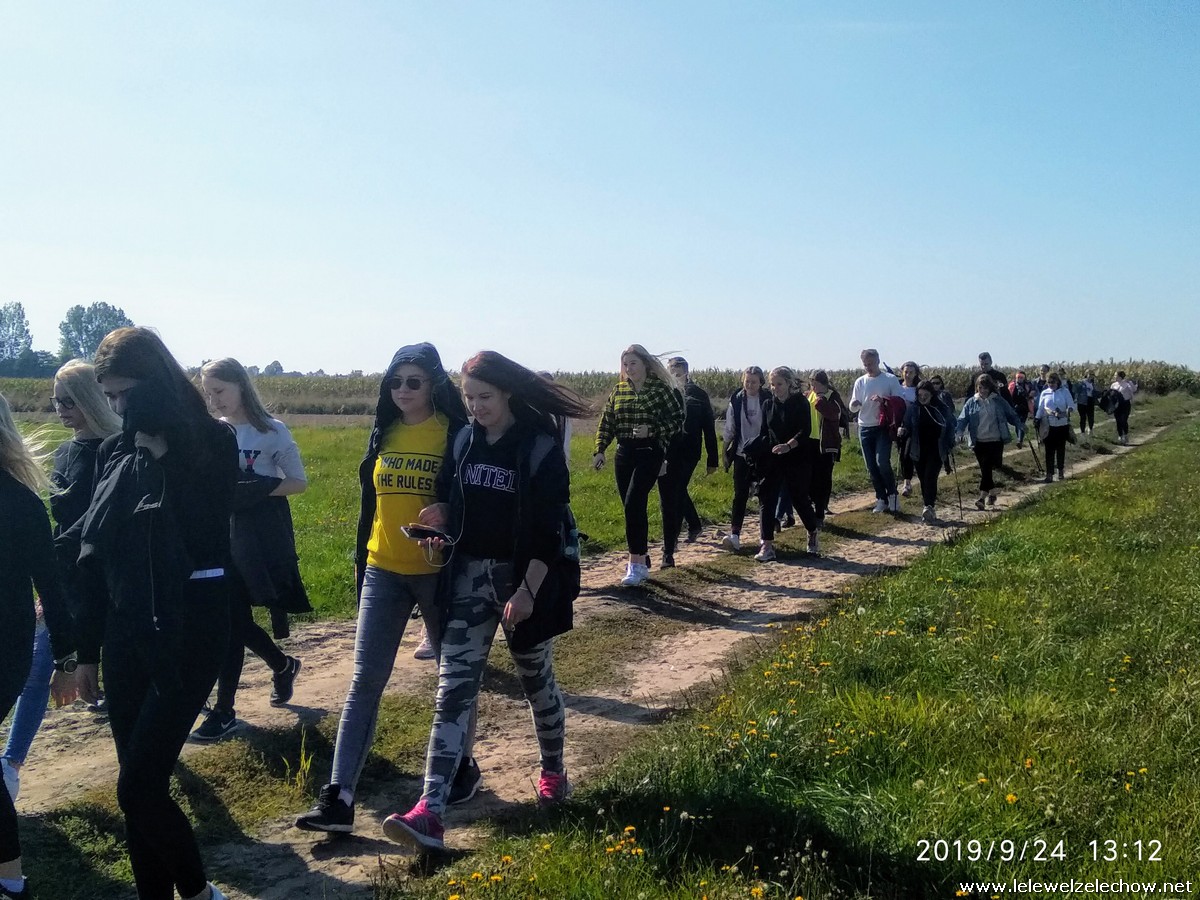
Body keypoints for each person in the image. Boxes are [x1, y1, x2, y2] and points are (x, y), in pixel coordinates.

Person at [382, 351, 589, 852]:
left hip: (523, 581)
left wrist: (526, 592)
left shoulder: (539, 448)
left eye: (485, 397)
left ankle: (554, 772)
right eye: (469, 397)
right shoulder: (464, 440)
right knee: (452, 689)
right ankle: (429, 810)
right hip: (468, 578)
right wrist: (443, 516)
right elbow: (456, 500)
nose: (475, 407)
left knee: (535, 681)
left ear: (508, 392)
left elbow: (547, 534)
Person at [62, 327, 237, 900]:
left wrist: (166, 464)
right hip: (127, 628)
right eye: (109, 396)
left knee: (138, 786)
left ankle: (199, 894)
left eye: (124, 394)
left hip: (192, 625)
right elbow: (97, 559)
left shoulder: (212, 443)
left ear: (154, 383)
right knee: (136, 787)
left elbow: (207, 534)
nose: (117, 408)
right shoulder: (113, 452)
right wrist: (87, 653)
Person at [295, 343, 475, 834]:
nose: (402, 390)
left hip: (437, 571)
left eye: (413, 382)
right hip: (382, 569)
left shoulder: (457, 434)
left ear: (433, 384)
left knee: (451, 675)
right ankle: (339, 798)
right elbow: (369, 505)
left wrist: (450, 513)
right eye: (395, 382)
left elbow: (473, 499)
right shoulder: (385, 431)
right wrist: (361, 563)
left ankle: (462, 765)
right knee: (364, 682)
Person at [2, 362, 120, 802]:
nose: (61, 409)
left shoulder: (114, 451)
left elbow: (96, 519)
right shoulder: (65, 452)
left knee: (119, 671)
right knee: (38, 668)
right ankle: (12, 764)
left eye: (69, 401)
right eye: (56, 401)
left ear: (91, 399)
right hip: (66, 573)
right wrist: (46, 571)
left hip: (104, 574)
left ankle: (141, 759)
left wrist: (47, 556)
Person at [189, 359, 309, 742]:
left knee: (232, 621)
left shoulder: (272, 431)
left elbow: (298, 482)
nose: (214, 400)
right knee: (231, 618)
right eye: (208, 393)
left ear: (241, 386)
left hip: (258, 536)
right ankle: (268, 675)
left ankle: (236, 701)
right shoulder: (212, 432)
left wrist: (255, 489)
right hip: (219, 535)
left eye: (219, 391)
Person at [0, 393, 78, 900]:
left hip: (4, 648)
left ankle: (10, 880)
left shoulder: (20, 503)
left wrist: (67, 660)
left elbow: (51, 585)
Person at [593, 345, 683, 585]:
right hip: (624, 452)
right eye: (625, 364)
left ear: (644, 364)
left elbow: (677, 419)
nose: (629, 368)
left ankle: (636, 565)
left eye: (633, 363)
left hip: (650, 451)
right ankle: (641, 555)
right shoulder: (619, 390)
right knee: (631, 507)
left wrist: (652, 430)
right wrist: (600, 449)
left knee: (634, 502)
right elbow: (607, 421)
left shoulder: (660, 389)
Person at [754, 367, 821, 561]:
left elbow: (804, 431)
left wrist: (788, 446)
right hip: (773, 458)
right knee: (767, 499)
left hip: (797, 457)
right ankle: (766, 545)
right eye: (772, 384)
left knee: (799, 498)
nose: (775, 388)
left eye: (779, 384)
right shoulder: (768, 404)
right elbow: (764, 431)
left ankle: (812, 531)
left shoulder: (800, 402)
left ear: (789, 384)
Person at [659, 357, 719, 563]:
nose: (673, 375)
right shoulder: (664, 392)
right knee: (674, 490)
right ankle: (693, 525)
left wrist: (713, 459)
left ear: (685, 372)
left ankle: (673, 539)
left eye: (677, 372)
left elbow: (709, 428)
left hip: (689, 452)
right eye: (670, 371)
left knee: (676, 490)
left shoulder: (698, 394)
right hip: (667, 451)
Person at [956, 374, 1025, 510]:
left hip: (995, 440)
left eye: (986, 388)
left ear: (990, 388)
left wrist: (1019, 424)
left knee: (990, 466)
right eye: (980, 387)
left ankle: (987, 495)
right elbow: (963, 419)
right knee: (985, 469)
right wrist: (959, 432)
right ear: (977, 387)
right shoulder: (971, 402)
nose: (983, 391)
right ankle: (987, 495)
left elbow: (1010, 414)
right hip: (978, 441)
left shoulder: (998, 401)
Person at [720, 367, 768, 552]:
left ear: (761, 382)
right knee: (739, 494)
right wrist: (725, 451)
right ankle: (735, 535)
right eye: (747, 381)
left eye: (754, 382)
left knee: (764, 495)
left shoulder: (767, 399)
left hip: (763, 453)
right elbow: (730, 427)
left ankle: (765, 536)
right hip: (741, 453)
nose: (750, 385)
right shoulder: (737, 399)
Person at [849, 349, 903, 513]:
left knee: (882, 462)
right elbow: (852, 405)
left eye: (871, 364)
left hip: (882, 426)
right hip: (864, 426)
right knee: (871, 466)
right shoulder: (860, 381)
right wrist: (855, 404)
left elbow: (899, 402)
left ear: (878, 361)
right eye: (865, 364)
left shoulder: (890, 379)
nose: (868, 367)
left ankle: (893, 495)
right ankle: (881, 498)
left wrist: (884, 401)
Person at [897, 380, 955, 523]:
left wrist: (951, 442)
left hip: (936, 449)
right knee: (923, 479)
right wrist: (902, 431)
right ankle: (928, 506)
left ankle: (929, 506)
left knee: (930, 477)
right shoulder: (913, 409)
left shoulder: (941, 408)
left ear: (932, 394)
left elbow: (950, 425)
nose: (922, 398)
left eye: (926, 395)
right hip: (918, 449)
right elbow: (907, 425)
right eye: (920, 395)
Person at [806, 371, 847, 528]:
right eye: (811, 384)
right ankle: (813, 508)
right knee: (809, 478)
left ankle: (820, 512)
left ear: (823, 383)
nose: (813, 387)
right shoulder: (809, 395)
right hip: (809, 442)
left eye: (815, 384)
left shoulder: (832, 396)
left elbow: (836, 415)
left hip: (826, 444)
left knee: (823, 479)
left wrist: (821, 401)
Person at [1035, 372, 1076, 482]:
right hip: (1049, 425)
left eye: (1052, 382)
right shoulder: (1045, 393)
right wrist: (1037, 418)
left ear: (1057, 382)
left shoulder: (1065, 392)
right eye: (1048, 382)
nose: (1050, 384)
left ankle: (1060, 470)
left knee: (1060, 449)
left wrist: (1068, 410)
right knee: (1049, 450)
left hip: (1062, 424)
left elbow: (1071, 405)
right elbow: (1041, 408)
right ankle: (1049, 474)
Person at [896, 361, 921, 498]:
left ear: (915, 373)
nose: (908, 375)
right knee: (901, 453)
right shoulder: (897, 387)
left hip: (914, 425)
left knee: (907, 453)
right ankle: (907, 479)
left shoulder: (918, 388)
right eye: (906, 372)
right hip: (898, 424)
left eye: (911, 372)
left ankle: (907, 482)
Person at [1111, 370, 1137, 445]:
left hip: (1125, 404)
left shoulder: (1127, 384)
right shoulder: (1113, 385)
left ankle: (1125, 434)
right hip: (1117, 405)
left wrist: (1130, 383)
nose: (1114, 377)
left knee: (1124, 420)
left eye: (1116, 375)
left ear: (1120, 377)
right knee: (1118, 420)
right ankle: (1120, 435)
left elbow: (1134, 389)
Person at [1075, 370, 1097, 435]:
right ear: (1086, 374)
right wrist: (1076, 399)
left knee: (1091, 416)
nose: (1091, 376)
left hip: (1090, 400)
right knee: (1083, 417)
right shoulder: (1081, 382)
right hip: (1082, 401)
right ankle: (1082, 432)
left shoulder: (1093, 384)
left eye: (1092, 375)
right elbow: (1076, 391)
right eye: (1090, 374)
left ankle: (1090, 429)